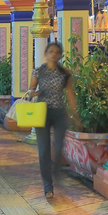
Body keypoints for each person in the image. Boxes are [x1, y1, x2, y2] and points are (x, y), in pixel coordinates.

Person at [29, 42, 79, 198]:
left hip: (59, 113)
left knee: (58, 148)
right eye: (51, 51)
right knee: (43, 151)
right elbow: (30, 91)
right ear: (45, 53)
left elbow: (70, 94)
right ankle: (48, 186)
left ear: (60, 55)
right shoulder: (38, 72)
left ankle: (56, 170)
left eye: (57, 52)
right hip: (42, 113)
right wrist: (35, 93)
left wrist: (74, 112)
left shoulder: (65, 73)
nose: (54, 54)